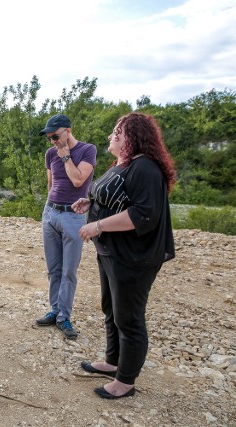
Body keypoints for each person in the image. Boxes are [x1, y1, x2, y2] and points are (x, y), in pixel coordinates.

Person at [73, 112, 176, 399]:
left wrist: (97, 225)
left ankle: (125, 381)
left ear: (132, 137)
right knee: (111, 310)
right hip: (110, 252)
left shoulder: (145, 168)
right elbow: (116, 196)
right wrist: (90, 201)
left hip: (133, 256)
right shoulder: (126, 165)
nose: (111, 137)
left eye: (117, 133)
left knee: (129, 317)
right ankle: (112, 361)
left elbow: (143, 214)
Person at [36, 114, 96, 339]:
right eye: (49, 137)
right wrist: (48, 209)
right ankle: (54, 310)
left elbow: (78, 180)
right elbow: (51, 182)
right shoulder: (50, 153)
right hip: (51, 212)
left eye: (55, 136)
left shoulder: (87, 150)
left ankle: (64, 316)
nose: (52, 141)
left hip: (73, 216)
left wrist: (65, 157)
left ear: (68, 130)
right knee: (54, 268)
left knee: (69, 270)